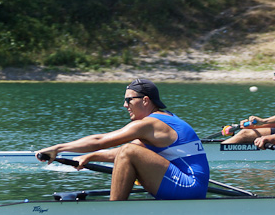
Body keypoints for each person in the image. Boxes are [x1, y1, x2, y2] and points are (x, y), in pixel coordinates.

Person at [36, 78, 209, 201]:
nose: (125, 105)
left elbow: (100, 140)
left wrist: (58, 148)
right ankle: (119, 207)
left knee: (128, 150)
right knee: (128, 151)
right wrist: (90, 157)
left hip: (189, 187)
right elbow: (120, 155)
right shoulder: (164, 119)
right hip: (190, 186)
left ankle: (115, 210)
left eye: (129, 100)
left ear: (145, 100)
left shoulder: (149, 124)